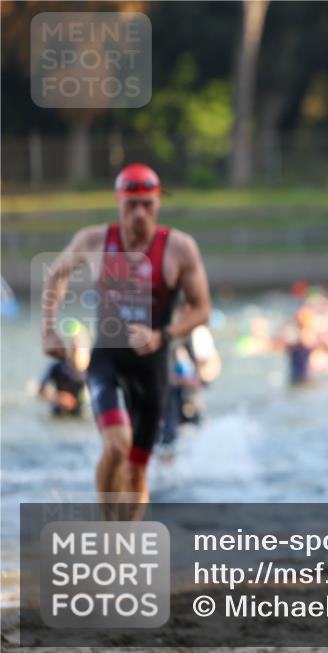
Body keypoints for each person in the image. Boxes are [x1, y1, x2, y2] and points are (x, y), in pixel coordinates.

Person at [40, 163, 211, 519]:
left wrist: (162, 335)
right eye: (131, 204)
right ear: (118, 202)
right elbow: (55, 275)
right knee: (117, 446)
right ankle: (107, 529)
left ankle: (126, 546)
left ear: (158, 202)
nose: (139, 213)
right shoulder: (95, 241)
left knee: (136, 470)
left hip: (153, 368)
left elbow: (201, 310)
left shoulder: (179, 248)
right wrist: (48, 328)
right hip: (108, 361)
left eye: (147, 204)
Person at [38, 321, 90, 417]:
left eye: (78, 345)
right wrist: (59, 398)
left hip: (79, 417)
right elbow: (40, 390)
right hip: (58, 415)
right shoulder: (57, 367)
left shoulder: (92, 370)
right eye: (73, 344)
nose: (75, 347)